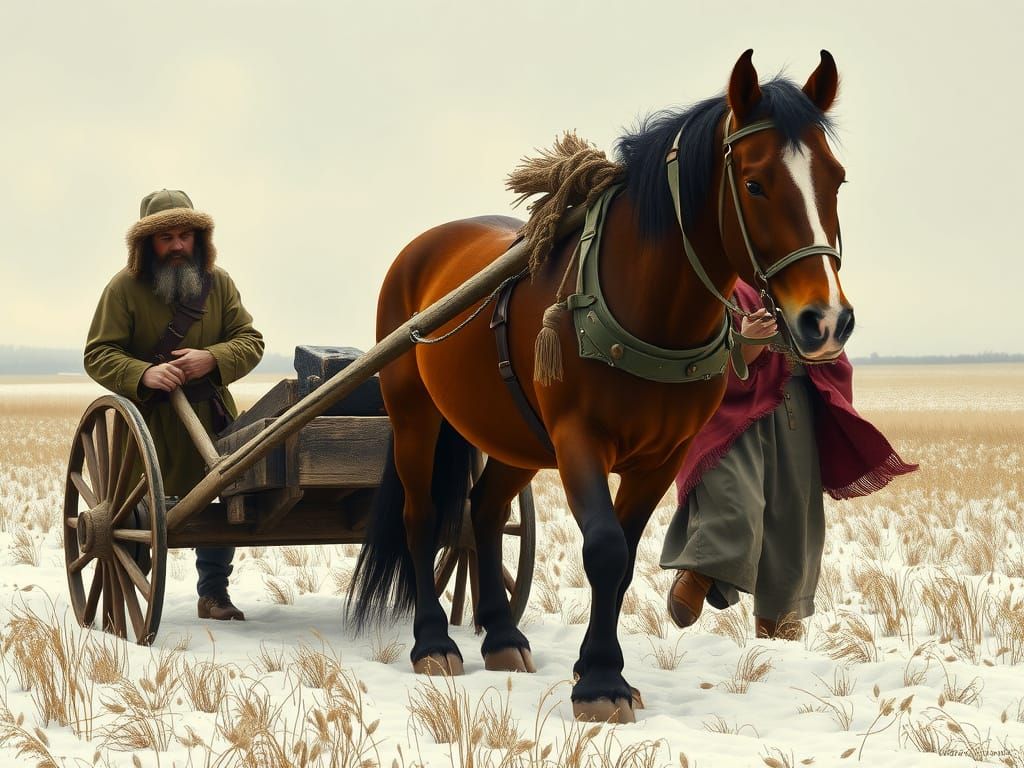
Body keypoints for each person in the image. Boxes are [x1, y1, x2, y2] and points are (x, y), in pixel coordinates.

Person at [661, 280, 916, 639]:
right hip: (732, 409)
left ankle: (779, 627)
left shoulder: (801, 281)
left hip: (795, 400)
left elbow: (831, 348)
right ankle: (699, 573)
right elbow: (690, 354)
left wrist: (824, 338)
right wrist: (743, 346)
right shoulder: (720, 278)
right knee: (735, 499)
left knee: (793, 518)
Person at [84, 189, 264, 621]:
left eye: (185, 235)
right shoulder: (123, 289)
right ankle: (130, 587)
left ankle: (214, 595)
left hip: (211, 420)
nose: (178, 245)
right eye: (167, 238)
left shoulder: (218, 284)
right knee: (135, 512)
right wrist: (142, 373)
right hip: (147, 426)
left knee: (222, 498)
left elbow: (251, 341)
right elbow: (99, 352)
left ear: (199, 239)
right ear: (147, 245)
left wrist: (212, 358)